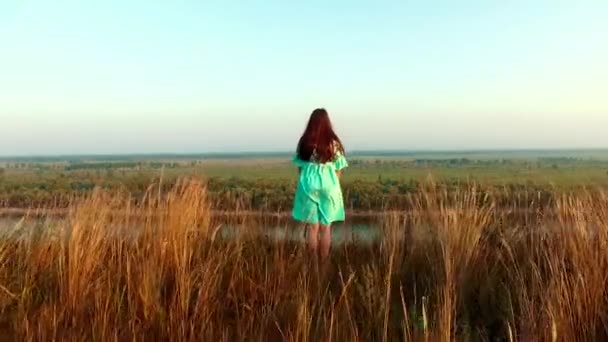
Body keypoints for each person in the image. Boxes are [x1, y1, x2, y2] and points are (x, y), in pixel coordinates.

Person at [292, 108, 348, 259]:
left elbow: (300, 168)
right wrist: (333, 184)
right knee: (326, 228)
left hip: (308, 185)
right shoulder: (333, 143)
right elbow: (339, 168)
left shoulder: (305, 143)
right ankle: (324, 266)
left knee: (312, 228)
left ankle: (313, 267)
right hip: (329, 185)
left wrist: (306, 182)